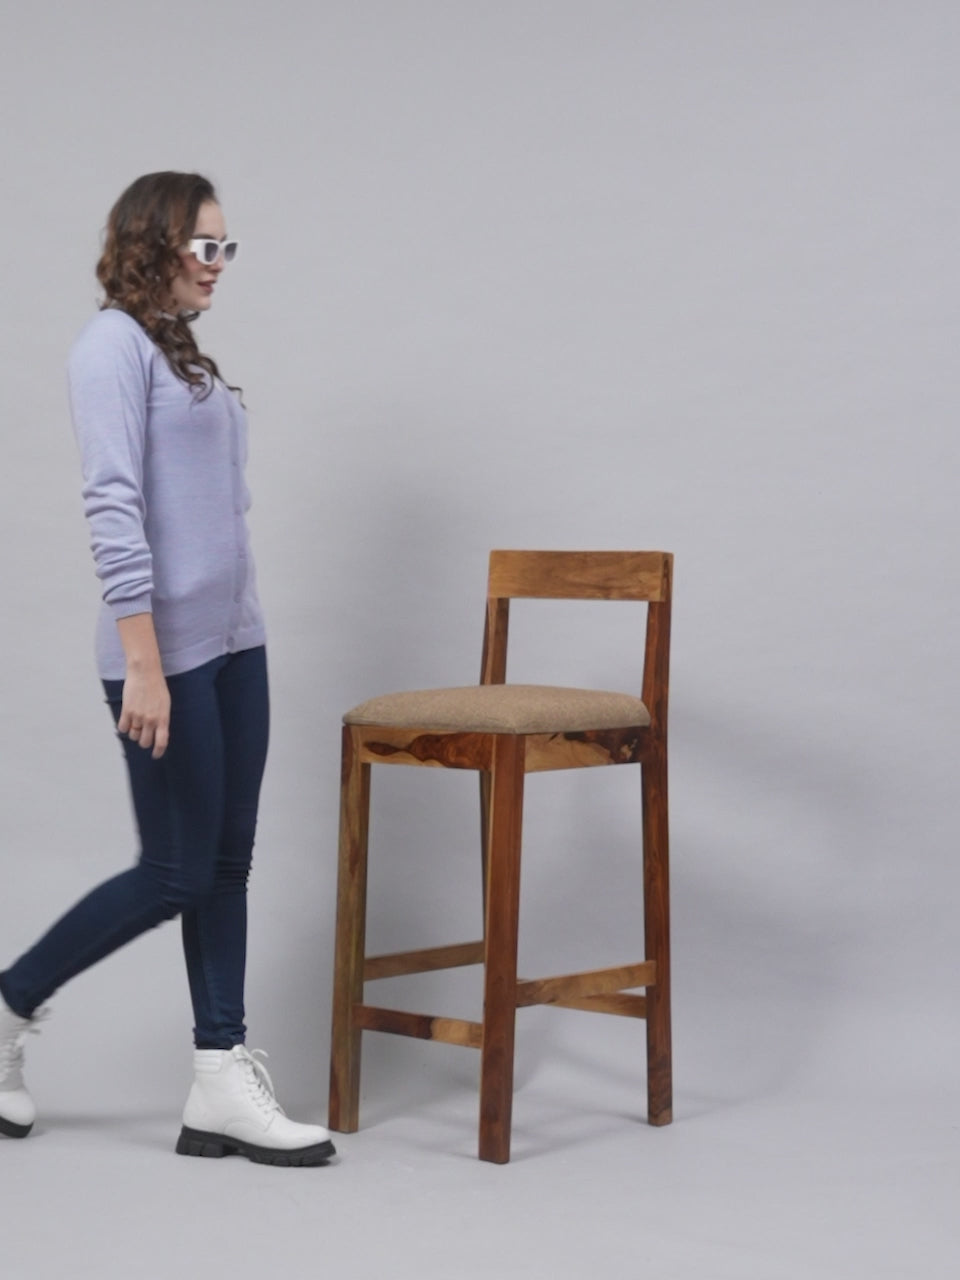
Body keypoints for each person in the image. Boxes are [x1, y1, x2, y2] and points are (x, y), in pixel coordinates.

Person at [0, 172, 335, 1167]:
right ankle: (11, 1000)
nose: (219, 265)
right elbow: (113, 505)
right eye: (205, 246)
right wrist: (143, 664)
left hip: (234, 643)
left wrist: (237, 631)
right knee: (176, 870)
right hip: (165, 655)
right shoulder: (108, 347)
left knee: (226, 863)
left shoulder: (173, 349)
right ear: (155, 244)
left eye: (228, 248)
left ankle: (220, 1078)